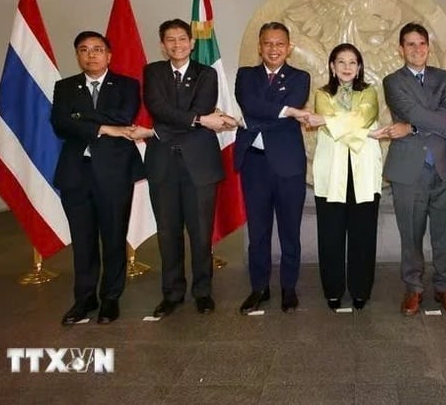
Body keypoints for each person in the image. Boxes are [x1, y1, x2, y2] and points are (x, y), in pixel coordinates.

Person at [382, 22, 446, 316]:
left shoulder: (444, 77)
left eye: (421, 43)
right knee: (410, 233)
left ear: (428, 46)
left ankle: (445, 287)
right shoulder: (392, 81)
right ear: (401, 49)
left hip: (444, 166)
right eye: (410, 44)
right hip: (409, 168)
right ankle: (413, 288)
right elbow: (414, 112)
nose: (417, 49)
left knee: (444, 232)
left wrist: (411, 127)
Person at [51, 31, 143, 326]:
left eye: (97, 49)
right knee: (83, 240)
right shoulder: (64, 87)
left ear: (109, 55)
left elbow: (123, 115)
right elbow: (61, 124)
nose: (91, 55)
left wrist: (83, 117)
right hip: (76, 174)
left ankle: (110, 298)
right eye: (84, 50)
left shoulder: (127, 85)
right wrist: (103, 128)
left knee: (114, 237)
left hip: (115, 173)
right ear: (77, 55)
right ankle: (84, 298)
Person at [138, 19, 225, 318]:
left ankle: (203, 292)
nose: (177, 44)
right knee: (168, 232)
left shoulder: (207, 74)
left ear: (192, 42)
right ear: (162, 45)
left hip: (199, 164)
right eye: (170, 40)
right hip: (163, 164)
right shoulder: (153, 72)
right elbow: (157, 109)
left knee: (201, 233)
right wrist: (198, 121)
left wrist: (164, 128)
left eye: (182, 39)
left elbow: (202, 105)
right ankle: (172, 293)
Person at [302, 44, 387, 311]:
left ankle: (361, 290)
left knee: (363, 234)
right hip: (332, 172)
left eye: (353, 62)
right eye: (341, 62)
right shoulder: (322, 93)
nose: (347, 67)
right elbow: (339, 126)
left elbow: (363, 116)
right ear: (332, 66)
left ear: (359, 67)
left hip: (363, 172)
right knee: (331, 235)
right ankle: (333, 290)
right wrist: (368, 133)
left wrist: (328, 120)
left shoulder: (370, 92)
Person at [234, 22, 311, 314]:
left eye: (280, 44)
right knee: (258, 231)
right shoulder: (245, 75)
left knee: (290, 230)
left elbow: (259, 110)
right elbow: (249, 103)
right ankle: (259, 288)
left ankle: (288, 288)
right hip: (254, 163)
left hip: (288, 164)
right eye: (268, 43)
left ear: (288, 47)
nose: (274, 49)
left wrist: (247, 121)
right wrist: (286, 112)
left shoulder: (300, 77)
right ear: (259, 46)